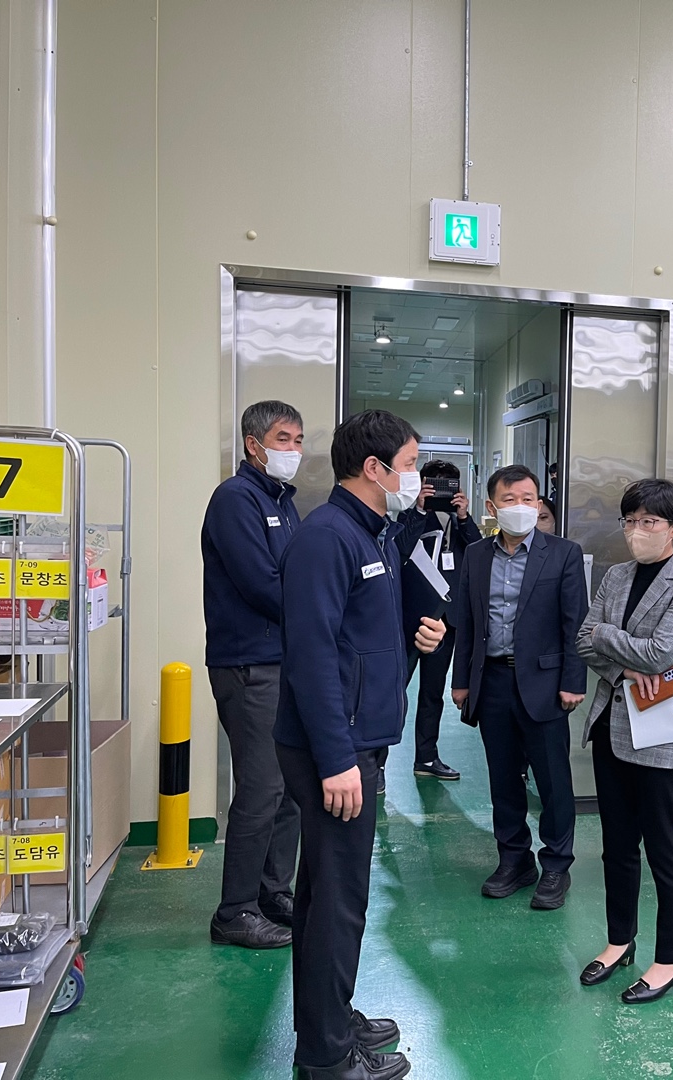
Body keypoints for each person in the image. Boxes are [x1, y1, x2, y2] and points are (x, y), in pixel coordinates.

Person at [274, 409, 446, 1080]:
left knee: (328, 895)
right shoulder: (327, 537)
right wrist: (338, 758)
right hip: (334, 749)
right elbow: (312, 655)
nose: (417, 479)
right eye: (409, 464)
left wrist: (412, 639)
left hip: (354, 740)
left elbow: (355, 638)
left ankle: (330, 1019)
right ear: (374, 469)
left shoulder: (373, 534)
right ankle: (325, 1058)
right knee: (337, 902)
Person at [575, 479, 673, 1003]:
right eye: (630, 521)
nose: (636, 531)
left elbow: (661, 653)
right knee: (616, 846)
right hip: (612, 727)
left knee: (666, 852)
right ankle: (619, 940)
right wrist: (626, 670)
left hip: (663, 737)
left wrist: (610, 641)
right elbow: (583, 641)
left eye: (648, 522)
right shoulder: (616, 576)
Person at [450, 464, 588, 911]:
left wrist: (573, 681)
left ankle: (556, 865)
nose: (521, 507)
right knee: (503, 778)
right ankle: (514, 860)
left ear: (539, 503)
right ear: (492, 507)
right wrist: (461, 680)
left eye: (528, 499)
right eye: (510, 499)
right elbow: (467, 622)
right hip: (491, 680)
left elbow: (575, 623)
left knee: (553, 781)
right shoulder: (476, 555)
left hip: (545, 683)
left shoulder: (563, 554)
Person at [201, 400, 304, 950]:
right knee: (261, 788)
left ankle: (271, 892)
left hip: (284, 661)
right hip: (248, 665)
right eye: (283, 439)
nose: (293, 449)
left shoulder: (282, 501)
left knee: (289, 788)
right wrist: (321, 611)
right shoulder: (235, 499)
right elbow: (262, 584)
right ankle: (234, 911)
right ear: (253, 444)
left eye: (299, 440)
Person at [395, 459, 481, 783]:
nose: (442, 491)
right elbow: (401, 549)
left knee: (433, 693)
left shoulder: (461, 522)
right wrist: (419, 509)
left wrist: (464, 516)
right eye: (435, 484)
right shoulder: (409, 515)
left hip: (448, 619)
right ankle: (376, 761)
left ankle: (426, 757)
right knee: (394, 689)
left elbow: (479, 553)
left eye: (449, 484)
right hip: (412, 617)